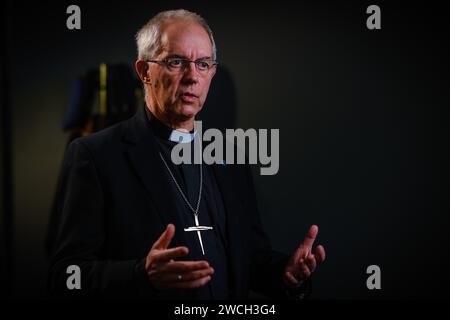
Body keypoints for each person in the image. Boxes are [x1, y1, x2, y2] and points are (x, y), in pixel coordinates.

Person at [49, 9, 325, 299]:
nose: (192, 76)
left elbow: (252, 257)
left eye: (203, 64)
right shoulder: (95, 156)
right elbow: (65, 276)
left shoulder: (230, 157)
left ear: (212, 73)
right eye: (176, 62)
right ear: (144, 71)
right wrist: (142, 274)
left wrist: (284, 274)